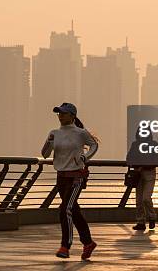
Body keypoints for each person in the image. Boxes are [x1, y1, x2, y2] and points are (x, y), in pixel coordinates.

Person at [41, 102, 98, 260]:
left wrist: (85, 157)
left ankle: (65, 246)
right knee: (74, 211)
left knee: (65, 209)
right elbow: (45, 154)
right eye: (59, 113)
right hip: (61, 177)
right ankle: (88, 242)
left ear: (72, 115)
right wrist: (50, 142)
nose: (60, 116)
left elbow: (94, 145)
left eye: (64, 113)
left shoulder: (80, 133)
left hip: (76, 177)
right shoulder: (54, 133)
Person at [126, 126, 158, 231]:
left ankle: (152, 217)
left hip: (149, 173)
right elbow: (129, 158)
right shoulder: (135, 145)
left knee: (146, 198)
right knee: (139, 200)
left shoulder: (154, 144)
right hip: (138, 175)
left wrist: (142, 166)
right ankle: (140, 222)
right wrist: (137, 166)